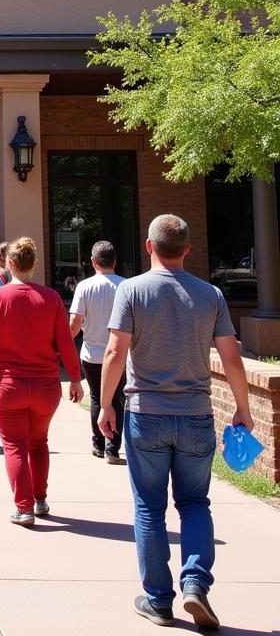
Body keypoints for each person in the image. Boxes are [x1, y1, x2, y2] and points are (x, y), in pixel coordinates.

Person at [98, 214, 252, 630]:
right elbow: (232, 357)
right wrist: (244, 407)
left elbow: (114, 352)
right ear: (186, 249)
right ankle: (196, 585)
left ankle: (158, 600)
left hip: (146, 414)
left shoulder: (131, 290)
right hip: (196, 415)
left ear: (149, 246)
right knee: (195, 504)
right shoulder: (211, 295)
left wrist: (106, 405)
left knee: (149, 508)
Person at [0, 236, 83, 526]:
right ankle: (40, 499)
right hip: (46, 387)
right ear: (34, 264)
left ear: (9, 265)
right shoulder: (52, 298)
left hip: (7, 386)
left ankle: (24, 507)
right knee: (39, 442)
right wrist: (74, 377)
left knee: (14, 446)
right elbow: (66, 343)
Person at [69, 239, 127, 463]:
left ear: (93, 261)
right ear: (115, 261)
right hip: (120, 354)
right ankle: (113, 447)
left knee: (97, 397)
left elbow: (75, 323)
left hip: (92, 353)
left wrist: (63, 344)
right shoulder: (126, 286)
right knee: (117, 398)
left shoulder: (84, 287)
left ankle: (99, 444)